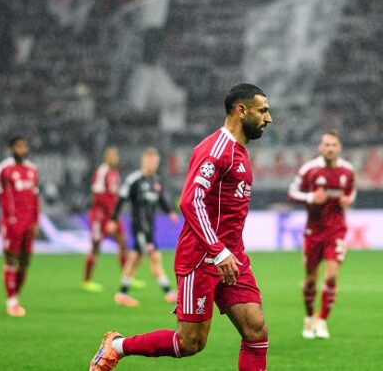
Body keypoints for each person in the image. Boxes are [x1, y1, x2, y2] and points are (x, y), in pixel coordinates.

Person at [90, 83, 272, 371]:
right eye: (262, 110)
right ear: (241, 110)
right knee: (191, 342)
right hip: (202, 257)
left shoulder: (239, 151)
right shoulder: (216, 149)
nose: (268, 118)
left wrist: (226, 252)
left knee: (256, 330)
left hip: (232, 257)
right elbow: (190, 200)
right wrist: (218, 251)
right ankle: (117, 346)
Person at [287, 130, 356, 339]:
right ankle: (309, 317)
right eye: (326, 144)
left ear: (339, 148)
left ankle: (322, 321)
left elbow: (351, 191)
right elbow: (292, 193)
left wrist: (348, 200)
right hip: (313, 231)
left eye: (334, 145)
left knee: (332, 275)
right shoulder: (309, 170)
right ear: (320, 147)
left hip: (336, 229)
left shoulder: (348, 171)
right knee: (310, 280)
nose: (330, 148)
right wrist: (310, 197)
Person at [111, 148, 179, 307]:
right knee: (155, 257)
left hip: (150, 228)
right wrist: (113, 219)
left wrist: (170, 212)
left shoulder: (155, 181)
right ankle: (169, 292)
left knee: (134, 260)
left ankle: (122, 294)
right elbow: (121, 199)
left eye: (155, 162)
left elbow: (160, 199)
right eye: (150, 162)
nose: (153, 165)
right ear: (144, 162)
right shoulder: (134, 180)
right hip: (139, 227)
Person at [0, 136, 40, 317]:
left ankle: (14, 296)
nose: (22, 150)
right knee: (11, 259)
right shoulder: (2, 169)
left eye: (24, 146)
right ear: (12, 149)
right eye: (18, 146)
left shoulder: (32, 170)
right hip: (11, 222)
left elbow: (35, 198)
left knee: (25, 262)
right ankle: (11, 302)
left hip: (28, 223)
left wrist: (36, 221)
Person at [83, 146, 129, 293]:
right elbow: (97, 195)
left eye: (116, 156)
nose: (115, 159)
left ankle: (127, 277)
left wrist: (114, 214)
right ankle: (87, 280)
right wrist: (109, 214)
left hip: (112, 215)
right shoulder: (102, 172)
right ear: (106, 158)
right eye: (111, 156)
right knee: (96, 245)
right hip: (100, 215)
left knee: (123, 242)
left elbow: (114, 196)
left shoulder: (114, 173)